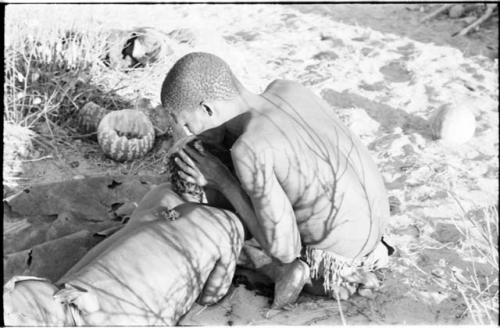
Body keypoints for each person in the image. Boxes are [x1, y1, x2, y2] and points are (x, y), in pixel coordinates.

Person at [161, 52, 392, 308]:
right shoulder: (287, 88)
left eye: (188, 124)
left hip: (339, 259)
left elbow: (284, 250)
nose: (189, 134)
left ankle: (294, 276)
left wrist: (222, 180)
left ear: (207, 108)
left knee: (224, 238)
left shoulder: (249, 149)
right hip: (378, 232)